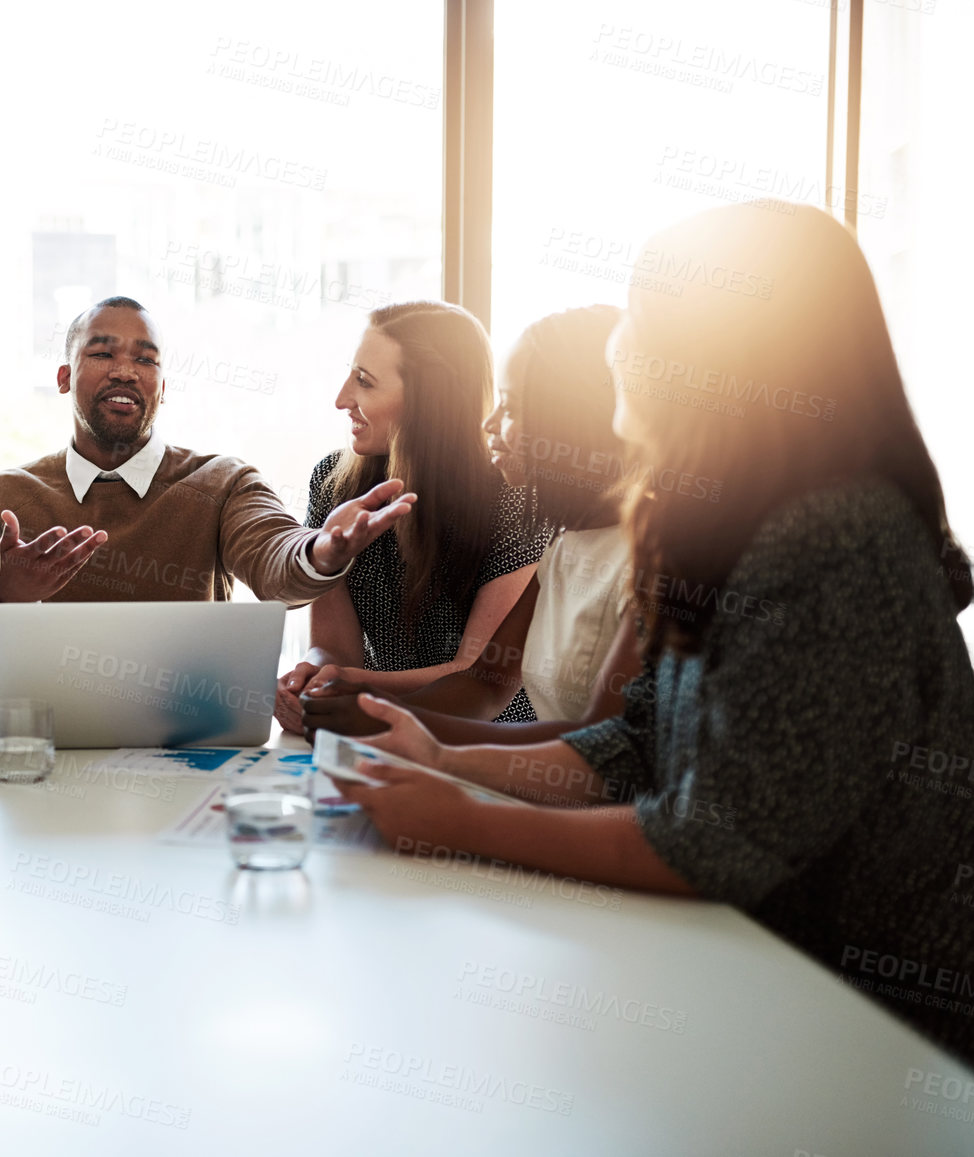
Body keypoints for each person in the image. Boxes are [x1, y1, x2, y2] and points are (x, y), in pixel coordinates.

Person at [332, 203, 974, 1062]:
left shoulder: (836, 541)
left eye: (639, 316)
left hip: (863, 1035)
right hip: (749, 980)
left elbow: (715, 841)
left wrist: (459, 820)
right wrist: (448, 762)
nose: (617, 347)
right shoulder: (717, 520)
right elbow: (635, 743)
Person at [0, 296, 415, 668]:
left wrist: (323, 551)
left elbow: (277, 566)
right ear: (65, 376)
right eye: (103, 352)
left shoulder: (223, 481)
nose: (125, 371)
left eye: (146, 361)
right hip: (43, 745)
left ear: (163, 389)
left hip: (192, 745)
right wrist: (8, 592)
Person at [301, 306, 641, 741]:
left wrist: (387, 721)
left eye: (513, 407)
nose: (490, 423)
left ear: (569, 421)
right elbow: (483, 684)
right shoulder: (568, 543)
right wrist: (367, 710)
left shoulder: (646, 559)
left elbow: (598, 755)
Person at [276, 302, 556, 731]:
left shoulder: (515, 498)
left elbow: (478, 678)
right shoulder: (331, 482)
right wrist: (311, 682)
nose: (341, 399)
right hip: (371, 728)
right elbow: (333, 651)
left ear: (430, 400)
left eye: (364, 382)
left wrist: (350, 687)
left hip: (487, 741)